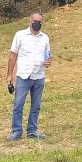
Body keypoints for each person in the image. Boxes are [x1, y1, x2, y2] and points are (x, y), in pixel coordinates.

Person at [5, 12, 51, 140]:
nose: (37, 24)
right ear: (29, 21)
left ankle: (32, 130)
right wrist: (9, 75)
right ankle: (16, 131)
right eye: (35, 21)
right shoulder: (20, 35)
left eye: (40, 22)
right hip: (23, 76)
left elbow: (47, 55)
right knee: (18, 104)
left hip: (39, 76)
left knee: (36, 106)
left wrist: (48, 62)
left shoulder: (45, 38)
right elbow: (13, 55)